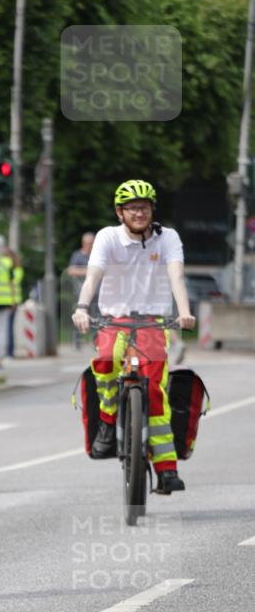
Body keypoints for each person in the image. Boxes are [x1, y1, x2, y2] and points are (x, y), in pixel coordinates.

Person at [71, 179, 196, 494]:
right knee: (105, 360)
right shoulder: (107, 237)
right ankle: (107, 421)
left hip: (153, 322)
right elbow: (93, 277)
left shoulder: (167, 238)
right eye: (132, 208)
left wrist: (184, 312)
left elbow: (176, 276)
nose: (139, 213)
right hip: (114, 319)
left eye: (144, 207)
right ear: (120, 212)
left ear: (152, 209)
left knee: (154, 390)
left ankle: (166, 470)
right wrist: (82, 307)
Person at [68, 232, 95, 349]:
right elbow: (71, 270)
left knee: (96, 316)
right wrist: (88, 271)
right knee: (79, 316)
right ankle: (77, 342)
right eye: (88, 243)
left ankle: (95, 341)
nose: (90, 245)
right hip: (79, 292)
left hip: (96, 292)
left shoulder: (96, 255)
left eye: (92, 243)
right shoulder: (77, 255)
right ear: (83, 243)